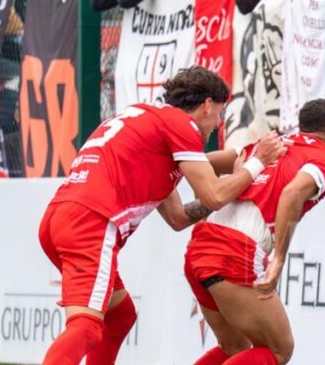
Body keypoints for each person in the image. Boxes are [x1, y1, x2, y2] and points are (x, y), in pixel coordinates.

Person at [38, 66, 285, 364]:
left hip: (60, 217)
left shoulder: (149, 122)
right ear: (207, 105)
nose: (216, 124)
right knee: (86, 327)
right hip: (92, 221)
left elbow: (178, 217)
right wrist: (257, 164)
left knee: (120, 316)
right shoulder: (182, 127)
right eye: (218, 114)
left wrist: (236, 171)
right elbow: (214, 195)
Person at [186, 99, 325, 365]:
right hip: (234, 252)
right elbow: (292, 194)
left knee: (234, 347)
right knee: (279, 349)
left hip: (199, 246)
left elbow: (202, 162)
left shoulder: (269, 145)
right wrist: (279, 259)